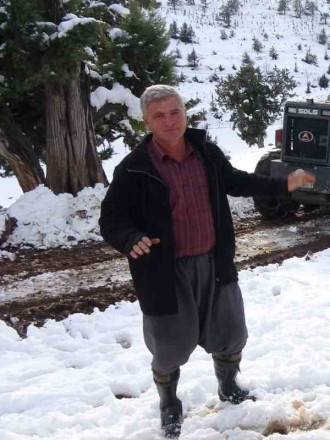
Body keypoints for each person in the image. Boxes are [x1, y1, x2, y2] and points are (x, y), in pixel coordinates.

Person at [99, 85, 315, 438]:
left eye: (175, 111)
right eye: (159, 115)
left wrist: (282, 185)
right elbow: (111, 219)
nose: (170, 121)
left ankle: (228, 386)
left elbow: (236, 182)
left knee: (230, 333)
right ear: (146, 122)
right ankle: (169, 404)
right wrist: (129, 239)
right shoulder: (134, 169)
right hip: (164, 272)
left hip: (215, 263)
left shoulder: (205, 152)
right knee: (169, 346)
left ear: (185, 113)